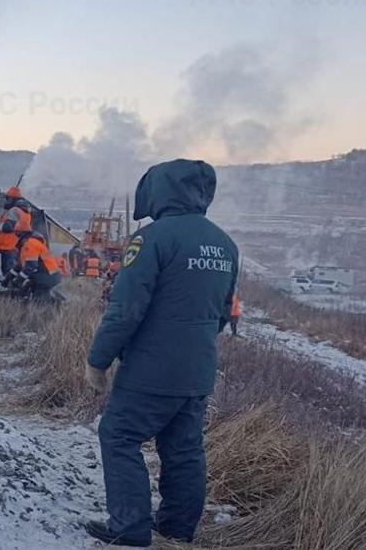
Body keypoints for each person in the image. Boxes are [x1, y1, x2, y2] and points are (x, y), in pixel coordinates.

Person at [83, 159, 239, 547]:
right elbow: (222, 313)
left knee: (118, 435)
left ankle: (129, 528)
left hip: (150, 371)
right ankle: (176, 528)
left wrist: (98, 360)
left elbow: (125, 310)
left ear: (159, 191)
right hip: (199, 369)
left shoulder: (152, 239)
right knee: (184, 449)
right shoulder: (224, 244)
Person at [12, 231, 62, 304]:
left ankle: (51, 305)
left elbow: (30, 266)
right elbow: (21, 265)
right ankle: (58, 302)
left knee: (39, 299)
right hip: (49, 276)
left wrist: (18, 280)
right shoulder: (31, 244)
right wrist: (10, 275)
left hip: (47, 277)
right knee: (28, 287)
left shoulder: (30, 244)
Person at [0, 187, 32, 277]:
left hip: (7, 246)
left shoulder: (14, 210)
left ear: (13, 199)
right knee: (12, 272)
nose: (6, 201)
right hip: (15, 246)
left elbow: (8, 227)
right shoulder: (26, 212)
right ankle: (12, 289)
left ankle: (9, 289)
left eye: (8, 198)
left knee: (7, 272)